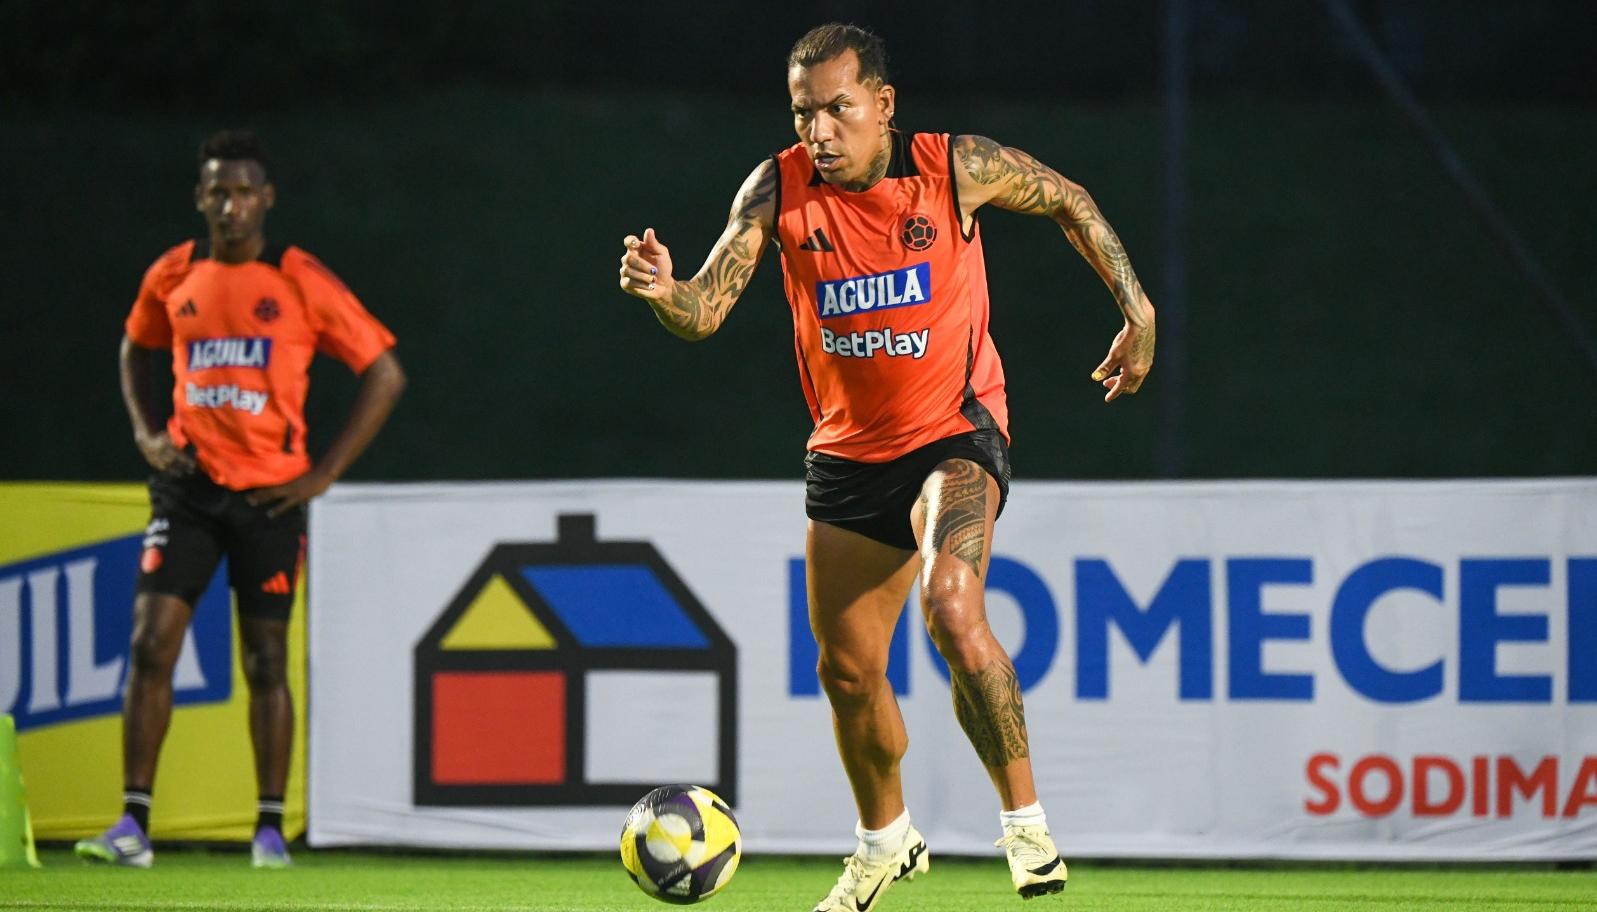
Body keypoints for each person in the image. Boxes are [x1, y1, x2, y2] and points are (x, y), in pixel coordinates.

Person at [619, 22, 1154, 911]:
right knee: (847, 671)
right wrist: (666, 291)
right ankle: (885, 842)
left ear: (883, 105)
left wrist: (1135, 309)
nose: (818, 131)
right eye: (803, 113)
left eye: (837, 108)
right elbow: (707, 309)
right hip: (847, 456)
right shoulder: (778, 189)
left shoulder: (954, 169)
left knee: (952, 603)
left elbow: (1069, 199)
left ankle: (1023, 825)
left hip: (955, 433)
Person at [74, 130, 406, 869]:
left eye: (244, 190)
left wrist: (322, 476)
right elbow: (135, 345)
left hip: (269, 500)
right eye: (217, 191)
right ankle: (132, 826)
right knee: (150, 643)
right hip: (188, 488)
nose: (231, 204)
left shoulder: (298, 278)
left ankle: (266, 831)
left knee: (263, 661)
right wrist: (145, 430)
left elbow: (384, 372)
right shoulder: (175, 273)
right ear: (200, 199)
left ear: (267, 198)